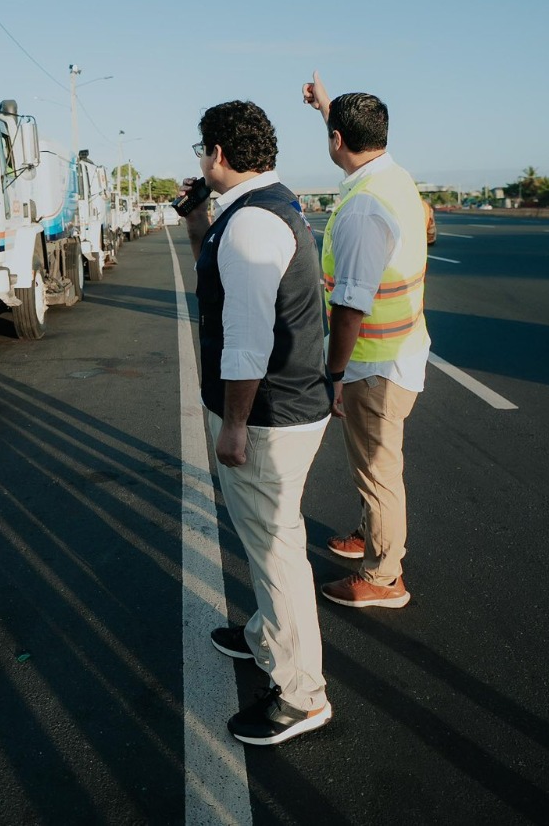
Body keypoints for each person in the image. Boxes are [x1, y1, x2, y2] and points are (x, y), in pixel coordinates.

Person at [184, 99, 333, 746]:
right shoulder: (265, 207)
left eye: (201, 149)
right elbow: (216, 277)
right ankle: (266, 637)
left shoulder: (249, 226)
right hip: (289, 407)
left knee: (277, 553)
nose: (199, 160)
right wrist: (196, 219)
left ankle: (302, 693)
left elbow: (247, 340)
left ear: (217, 153)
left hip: (268, 416)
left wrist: (234, 425)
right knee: (274, 540)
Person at [303, 71, 430, 610]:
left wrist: (333, 374)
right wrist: (326, 106)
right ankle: (372, 537)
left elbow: (350, 307)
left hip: (373, 365)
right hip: (398, 352)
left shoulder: (360, 209)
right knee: (372, 465)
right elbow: (350, 137)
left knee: (379, 472)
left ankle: (383, 577)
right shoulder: (393, 177)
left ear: (338, 141)